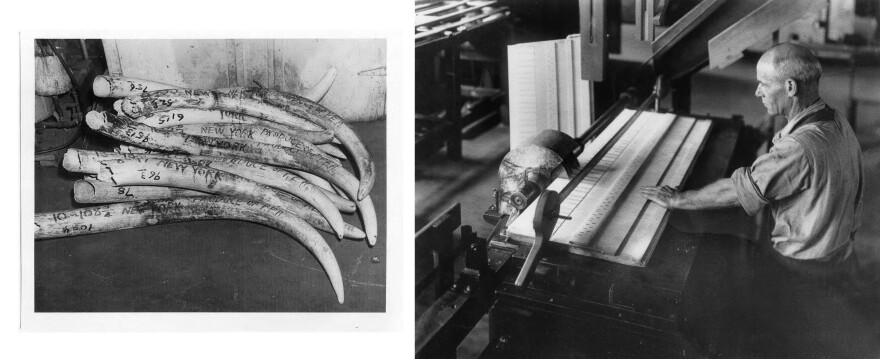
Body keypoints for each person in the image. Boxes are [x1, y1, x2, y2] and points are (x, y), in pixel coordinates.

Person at [641, 43, 864, 272]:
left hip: (800, 267)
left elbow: (741, 191)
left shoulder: (798, 147)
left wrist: (678, 199)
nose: (757, 92)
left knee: (706, 251)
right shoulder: (837, 121)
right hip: (838, 253)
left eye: (764, 84)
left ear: (790, 87)